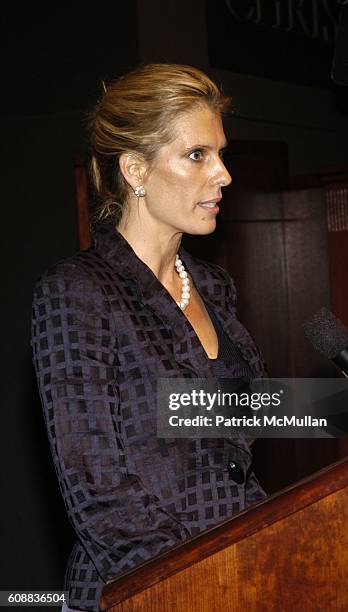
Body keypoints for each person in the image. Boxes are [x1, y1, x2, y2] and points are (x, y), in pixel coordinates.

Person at [31, 64, 268, 612]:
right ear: (136, 169)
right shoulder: (79, 291)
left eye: (221, 153)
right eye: (197, 155)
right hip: (145, 589)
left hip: (244, 571)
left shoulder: (213, 287)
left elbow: (225, 425)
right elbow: (94, 482)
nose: (223, 174)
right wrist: (191, 583)